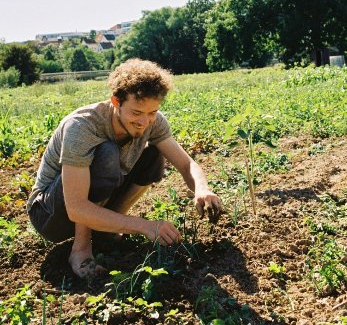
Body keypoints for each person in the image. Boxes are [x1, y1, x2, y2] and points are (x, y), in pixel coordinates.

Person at [27, 58, 221, 277]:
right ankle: (80, 249)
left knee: (154, 152)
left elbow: (186, 164)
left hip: (86, 205)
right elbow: (76, 207)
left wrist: (202, 189)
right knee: (107, 153)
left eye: (152, 112)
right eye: (136, 113)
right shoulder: (82, 126)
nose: (144, 121)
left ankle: (104, 231)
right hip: (50, 215)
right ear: (116, 102)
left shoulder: (152, 122)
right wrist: (145, 226)